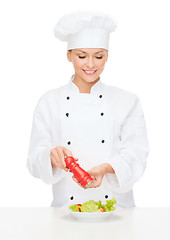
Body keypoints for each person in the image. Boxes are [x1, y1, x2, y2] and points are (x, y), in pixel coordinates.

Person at [27, 11, 149, 208]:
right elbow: (33, 160)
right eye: (82, 56)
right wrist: (50, 157)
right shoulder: (49, 102)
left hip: (117, 210)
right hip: (66, 210)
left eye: (99, 56)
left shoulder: (127, 101)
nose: (91, 64)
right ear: (69, 55)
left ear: (107, 56)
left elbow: (136, 155)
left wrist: (106, 169)